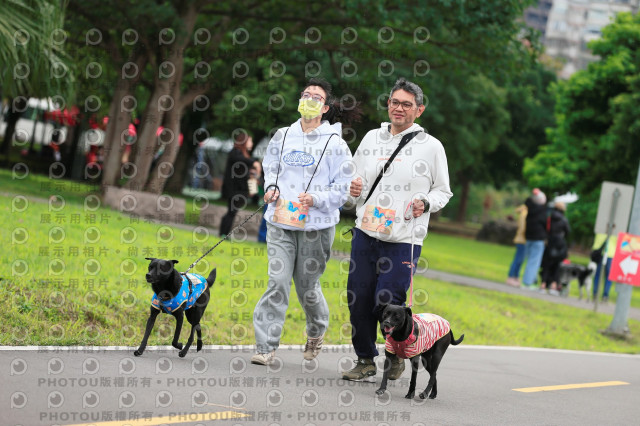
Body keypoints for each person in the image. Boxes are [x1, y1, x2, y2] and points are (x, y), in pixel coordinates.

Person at [341, 77, 453, 381]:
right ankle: (365, 359)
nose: (399, 108)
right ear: (388, 104)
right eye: (394, 102)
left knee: (387, 299)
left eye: (406, 104)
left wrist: (425, 203)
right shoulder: (371, 139)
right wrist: (352, 188)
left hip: (403, 240)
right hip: (366, 233)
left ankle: (395, 354)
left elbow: (443, 191)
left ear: (419, 110)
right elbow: (353, 183)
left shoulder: (431, 147)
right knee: (358, 299)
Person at [251, 78, 358, 365]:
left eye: (316, 97)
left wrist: (316, 198)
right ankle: (265, 346)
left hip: (317, 226)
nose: (309, 99)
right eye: (305, 94)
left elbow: (343, 188)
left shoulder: (335, 144)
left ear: (325, 108)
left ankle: (316, 330)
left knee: (307, 286)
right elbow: (271, 168)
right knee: (277, 281)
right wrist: (270, 188)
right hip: (280, 220)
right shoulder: (283, 135)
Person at [219, 133, 261, 237]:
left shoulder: (243, 154)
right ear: (244, 142)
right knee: (231, 212)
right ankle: (223, 234)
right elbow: (240, 160)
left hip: (240, 189)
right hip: (234, 189)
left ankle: (224, 233)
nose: (252, 143)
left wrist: (252, 184)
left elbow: (244, 172)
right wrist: (254, 162)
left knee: (232, 212)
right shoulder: (235, 153)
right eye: (250, 141)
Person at [539, 202, 570, 295]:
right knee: (557, 266)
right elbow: (568, 232)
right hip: (559, 244)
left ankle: (543, 284)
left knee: (546, 265)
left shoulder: (549, 217)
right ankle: (553, 286)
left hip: (549, 243)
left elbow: (545, 229)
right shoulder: (564, 219)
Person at [520, 188, 547, 290]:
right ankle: (528, 282)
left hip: (529, 237)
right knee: (534, 261)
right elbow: (545, 224)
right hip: (538, 239)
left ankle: (531, 281)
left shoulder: (530, 208)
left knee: (530, 260)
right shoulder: (541, 211)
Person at [591, 233, 617, 302]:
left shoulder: (600, 229)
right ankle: (605, 296)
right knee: (608, 276)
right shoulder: (617, 230)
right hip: (610, 254)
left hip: (600, 252)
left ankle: (595, 294)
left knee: (598, 275)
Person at [506, 203, 528, 287]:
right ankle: (511, 276)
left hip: (522, 239)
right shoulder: (524, 214)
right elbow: (523, 228)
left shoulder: (524, 213)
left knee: (520, 260)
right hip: (522, 240)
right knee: (518, 259)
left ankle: (515, 277)